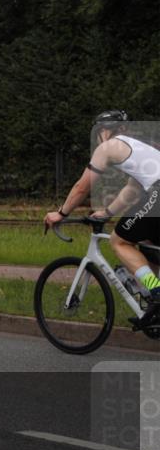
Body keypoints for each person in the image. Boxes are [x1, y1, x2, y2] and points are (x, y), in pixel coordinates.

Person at [44, 110, 160, 330]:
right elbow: (132, 191)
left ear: (102, 130)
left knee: (119, 241)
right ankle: (154, 307)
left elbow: (82, 187)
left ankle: (157, 291)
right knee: (146, 246)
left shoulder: (107, 147)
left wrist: (61, 213)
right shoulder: (138, 149)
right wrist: (107, 212)